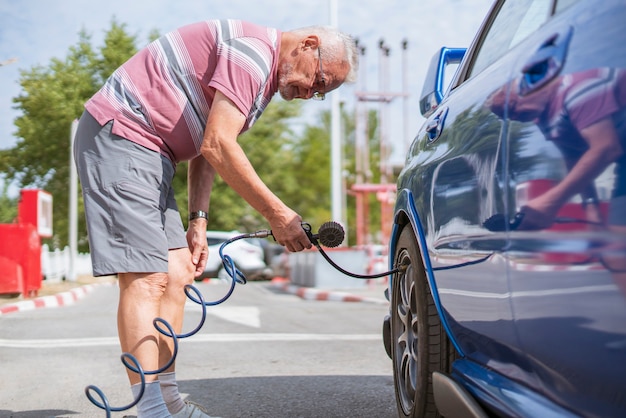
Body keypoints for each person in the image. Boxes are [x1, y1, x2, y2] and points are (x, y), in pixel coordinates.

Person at [73, 19, 358, 418]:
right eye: (319, 81)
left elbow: (206, 148)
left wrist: (199, 222)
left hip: (156, 155)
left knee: (178, 273)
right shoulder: (253, 55)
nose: (311, 94)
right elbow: (218, 144)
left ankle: (169, 402)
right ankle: (151, 411)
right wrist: (278, 214)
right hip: (122, 135)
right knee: (148, 277)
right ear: (308, 45)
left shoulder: (260, 86)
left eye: (321, 94)